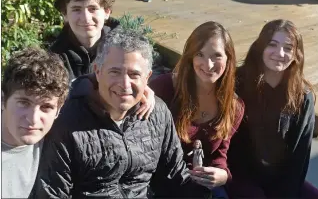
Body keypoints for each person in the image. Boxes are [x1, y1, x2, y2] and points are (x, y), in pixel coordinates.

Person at [34, 28, 212, 198]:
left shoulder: (157, 113)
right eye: (115, 72)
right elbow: (53, 192)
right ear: (97, 71)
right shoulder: (67, 121)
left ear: (147, 77)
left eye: (134, 74)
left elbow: (174, 178)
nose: (124, 84)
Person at [227, 19, 318, 198]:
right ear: (260, 47)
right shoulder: (237, 83)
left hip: (279, 179)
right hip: (239, 175)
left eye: (288, 48)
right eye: (273, 44)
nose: (279, 53)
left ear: (296, 55)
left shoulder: (303, 95)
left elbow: (299, 157)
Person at [149, 21, 245, 198]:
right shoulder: (164, 88)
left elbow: (219, 155)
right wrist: (144, 93)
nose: (208, 65)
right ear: (190, 56)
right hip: (162, 183)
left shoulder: (234, 106)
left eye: (216, 56)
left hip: (202, 186)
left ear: (228, 59)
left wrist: (223, 175)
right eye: (200, 54)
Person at [51, 0, 154, 120]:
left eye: (92, 8)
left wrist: (144, 88)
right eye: (76, 9)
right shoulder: (55, 59)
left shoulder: (127, 48)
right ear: (65, 15)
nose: (85, 18)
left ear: (107, 12)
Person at [1, 47, 69, 198]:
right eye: (24, 103)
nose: (33, 119)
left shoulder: (59, 143)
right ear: (2, 100)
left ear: (58, 111)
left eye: (46, 107)